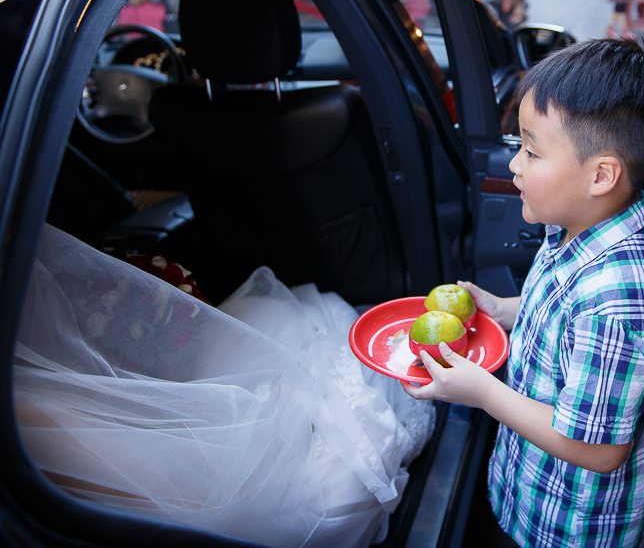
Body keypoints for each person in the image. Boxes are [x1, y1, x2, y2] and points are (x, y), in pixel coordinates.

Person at [402, 36, 644, 547]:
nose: (515, 165)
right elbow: (558, 313)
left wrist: (482, 392)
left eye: (532, 151)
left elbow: (599, 450)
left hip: (572, 525)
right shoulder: (581, 221)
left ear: (601, 175)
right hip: (532, 481)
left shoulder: (619, 300)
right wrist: (502, 309)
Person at [15, 224, 434, 548]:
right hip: (210, 493)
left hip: (164, 411)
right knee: (306, 365)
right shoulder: (27, 408)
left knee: (282, 321)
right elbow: (181, 505)